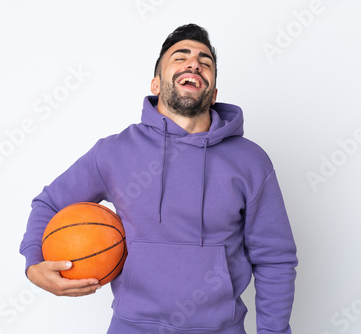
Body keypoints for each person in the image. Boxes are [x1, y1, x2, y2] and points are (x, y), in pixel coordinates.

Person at [20, 23, 298, 334]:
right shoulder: (114, 152)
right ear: (156, 83)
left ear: (213, 91)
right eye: (180, 57)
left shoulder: (250, 161)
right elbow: (49, 203)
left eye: (205, 62)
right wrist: (34, 265)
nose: (194, 63)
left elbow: (276, 259)